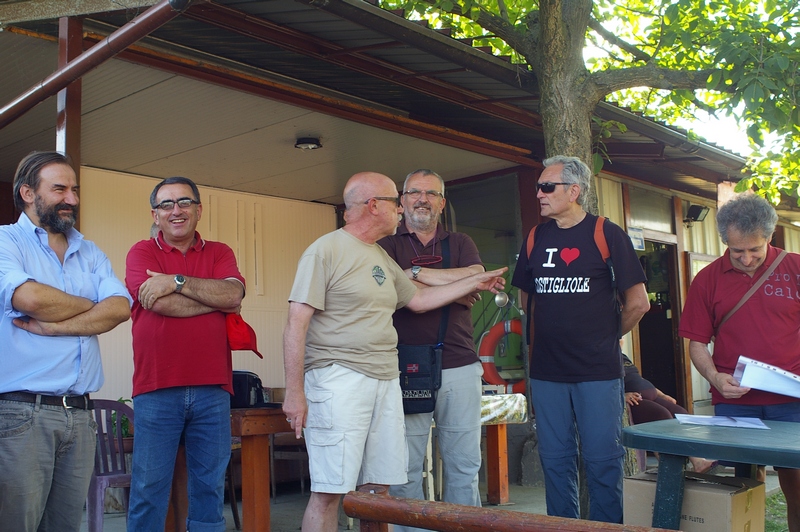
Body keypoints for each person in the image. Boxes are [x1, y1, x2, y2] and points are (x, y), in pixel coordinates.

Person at [282, 171, 507, 532]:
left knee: (380, 486)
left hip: (386, 379)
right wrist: (294, 391)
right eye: (395, 201)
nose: (401, 210)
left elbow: (418, 298)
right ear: (374, 206)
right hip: (339, 378)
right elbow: (296, 321)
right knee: (329, 490)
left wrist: (475, 280)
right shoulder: (326, 249)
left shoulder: (378, 256)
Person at [510, 156, 649, 523]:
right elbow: (526, 298)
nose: (538, 194)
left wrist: (604, 336)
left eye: (546, 187)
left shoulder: (606, 233)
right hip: (546, 372)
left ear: (574, 191)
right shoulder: (536, 237)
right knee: (554, 462)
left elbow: (638, 303)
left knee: (603, 462)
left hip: (597, 372)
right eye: (538, 187)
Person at [0, 151, 132, 531]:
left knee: (64, 526)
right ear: (28, 192)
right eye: (59, 188)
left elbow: (120, 310)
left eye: (74, 189)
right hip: (22, 413)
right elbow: (31, 299)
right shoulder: (8, 244)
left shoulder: (88, 251)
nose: (72, 198)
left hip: (80, 415)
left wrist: (56, 325)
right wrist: (93, 307)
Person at [125, 176, 245, 531]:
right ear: (155, 214)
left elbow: (234, 296)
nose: (175, 211)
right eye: (166, 204)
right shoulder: (141, 252)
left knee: (209, 488)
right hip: (157, 388)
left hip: (213, 390)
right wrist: (213, 300)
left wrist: (175, 281)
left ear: (198, 210)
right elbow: (161, 306)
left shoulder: (220, 252)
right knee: (149, 488)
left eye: (184, 202)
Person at [679, 193, 800, 530]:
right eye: (737, 252)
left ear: (770, 237)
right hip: (736, 400)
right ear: (725, 243)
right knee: (743, 488)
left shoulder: (796, 268)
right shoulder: (707, 279)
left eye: (754, 250)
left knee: (798, 489)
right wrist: (715, 378)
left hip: (792, 401)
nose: (746, 259)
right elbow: (697, 342)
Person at [378, 169, 484, 519]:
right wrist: (455, 288)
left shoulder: (461, 242)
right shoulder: (386, 245)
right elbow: (391, 295)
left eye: (430, 193)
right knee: (405, 467)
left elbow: (478, 277)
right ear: (402, 201)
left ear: (441, 202)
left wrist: (413, 275)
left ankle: (463, 528)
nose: (421, 199)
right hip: (405, 366)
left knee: (464, 465)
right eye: (413, 192)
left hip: (459, 364)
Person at [622, 349, 715, 473]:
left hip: (652, 395)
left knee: (681, 414)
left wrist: (663, 395)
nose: (621, 340)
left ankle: (698, 462)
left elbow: (639, 380)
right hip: (634, 400)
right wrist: (622, 395)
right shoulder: (603, 359)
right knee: (661, 416)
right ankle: (667, 467)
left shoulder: (623, 356)